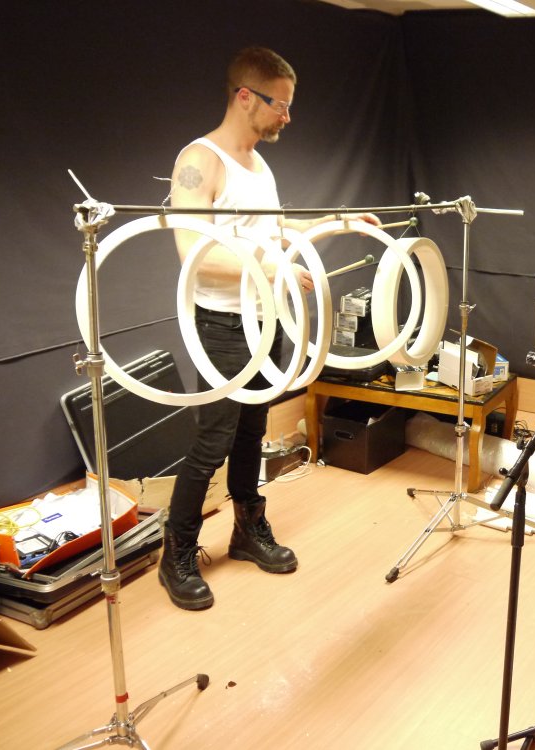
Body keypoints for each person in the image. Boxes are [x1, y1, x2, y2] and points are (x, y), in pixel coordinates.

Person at [160, 46, 377, 610]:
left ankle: (247, 531)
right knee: (213, 441)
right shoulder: (201, 160)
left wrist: (335, 223)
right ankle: (176, 554)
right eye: (280, 104)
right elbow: (193, 254)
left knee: (251, 434)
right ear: (245, 97)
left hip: (264, 319)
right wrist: (274, 267)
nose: (287, 116)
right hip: (221, 323)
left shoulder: (259, 165)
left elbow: (274, 234)